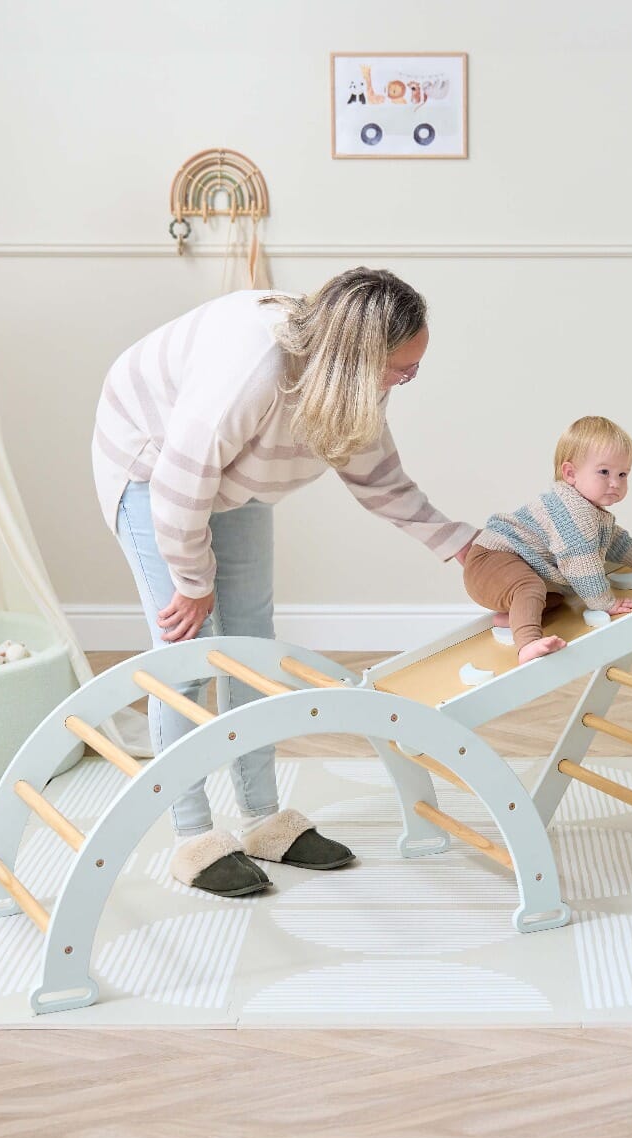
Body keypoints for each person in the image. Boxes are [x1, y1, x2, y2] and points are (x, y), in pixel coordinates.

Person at [91, 269, 476, 897]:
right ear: (360, 357)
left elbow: (381, 481)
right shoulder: (250, 373)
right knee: (187, 656)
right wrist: (192, 582)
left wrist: (460, 545)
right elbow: (178, 487)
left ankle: (263, 820)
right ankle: (193, 839)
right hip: (153, 464)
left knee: (251, 643)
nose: (403, 382)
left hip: (232, 477)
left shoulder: (348, 382)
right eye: (399, 370)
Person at [463, 416, 632, 662]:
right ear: (570, 473)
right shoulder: (575, 512)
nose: (615, 483)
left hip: (504, 565)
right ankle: (527, 644)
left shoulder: (588, 508)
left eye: (623, 474)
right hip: (492, 559)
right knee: (530, 587)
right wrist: (604, 603)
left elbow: (613, 540)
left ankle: (515, 616)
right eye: (604, 472)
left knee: (554, 598)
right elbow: (581, 564)